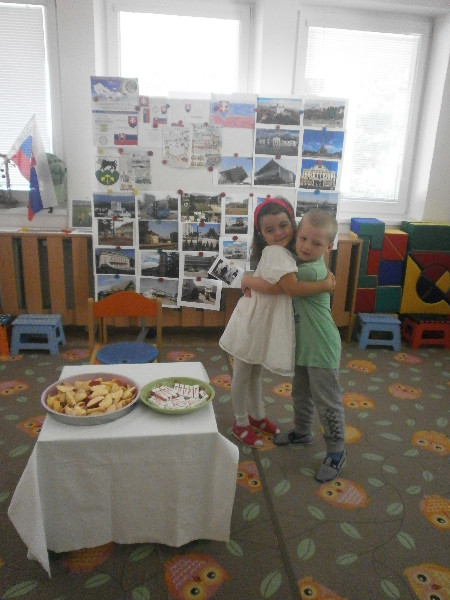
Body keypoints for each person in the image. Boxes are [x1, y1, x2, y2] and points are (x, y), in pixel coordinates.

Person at [219, 198, 335, 449]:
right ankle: (241, 422)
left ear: (293, 223)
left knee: (255, 373)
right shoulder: (275, 252)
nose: (278, 233)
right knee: (243, 373)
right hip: (253, 321)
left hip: (263, 321)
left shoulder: (288, 252)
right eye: (269, 230)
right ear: (261, 233)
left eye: (283, 225)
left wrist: (249, 280)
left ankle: (257, 416)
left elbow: (270, 283)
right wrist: (325, 285)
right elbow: (285, 288)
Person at [243, 208, 345, 482]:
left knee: (327, 401)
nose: (307, 247)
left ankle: (337, 451)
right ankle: (302, 432)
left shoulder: (310, 271)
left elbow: (284, 287)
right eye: (303, 239)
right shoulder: (297, 263)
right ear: (296, 235)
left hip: (321, 348)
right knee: (301, 394)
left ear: (329, 247)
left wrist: (247, 280)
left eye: (316, 243)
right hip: (303, 347)